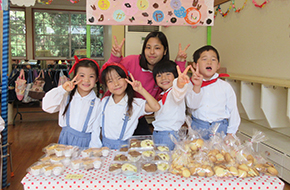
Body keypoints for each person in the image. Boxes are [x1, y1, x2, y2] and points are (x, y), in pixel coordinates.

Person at [107, 31, 190, 135]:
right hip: (118, 112)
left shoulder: (161, 75)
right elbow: (105, 77)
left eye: (157, 48)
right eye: (148, 47)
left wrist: (179, 62)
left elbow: (177, 84)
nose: (152, 52)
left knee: (145, 145)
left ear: (165, 51)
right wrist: (115, 58)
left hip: (139, 115)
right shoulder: (131, 61)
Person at [89, 63, 160, 149]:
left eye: (119, 78)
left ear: (127, 79)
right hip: (105, 148)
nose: (116, 84)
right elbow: (96, 127)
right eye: (110, 81)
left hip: (125, 149)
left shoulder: (135, 104)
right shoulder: (103, 102)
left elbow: (155, 107)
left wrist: (141, 90)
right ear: (106, 85)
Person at [42, 56, 102, 148]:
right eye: (82, 76)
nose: (86, 80)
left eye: (91, 76)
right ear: (75, 77)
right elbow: (47, 107)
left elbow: (96, 130)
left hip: (85, 144)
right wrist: (62, 89)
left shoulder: (98, 103)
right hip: (65, 141)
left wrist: (93, 152)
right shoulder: (65, 96)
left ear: (97, 79)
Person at [188, 45, 240, 140]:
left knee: (218, 154)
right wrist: (197, 86)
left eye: (213, 59)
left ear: (218, 66)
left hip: (220, 128)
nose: (209, 62)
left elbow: (233, 111)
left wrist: (231, 133)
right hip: (198, 127)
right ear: (195, 65)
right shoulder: (190, 85)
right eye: (204, 59)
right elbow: (192, 106)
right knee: (197, 153)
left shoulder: (225, 87)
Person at [152, 60, 203, 150]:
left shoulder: (173, 92)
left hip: (169, 135)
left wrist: (179, 84)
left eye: (168, 74)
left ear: (175, 77)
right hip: (158, 133)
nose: (163, 78)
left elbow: (178, 93)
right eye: (159, 75)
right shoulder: (162, 94)